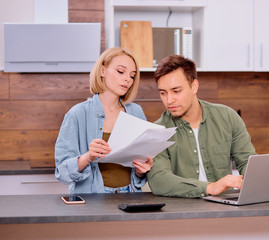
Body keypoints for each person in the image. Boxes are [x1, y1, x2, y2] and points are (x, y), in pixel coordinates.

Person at [147, 55, 256, 198]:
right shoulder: (157, 131)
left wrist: (253, 183)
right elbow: (159, 181)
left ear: (194, 86)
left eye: (176, 91)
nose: (169, 100)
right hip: (181, 211)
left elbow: (248, 162)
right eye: (163, 93)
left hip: (225, 208)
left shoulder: (227, 117)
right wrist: (210, 187)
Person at [55, 47, 153, 194]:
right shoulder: (77, 114)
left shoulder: (136, 112)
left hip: (131, 197)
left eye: (132, 76)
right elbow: (62, 173)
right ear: (102, 71)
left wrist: (141, 170)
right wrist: (88, 157)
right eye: (121, 71)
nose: (127, 79)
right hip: (92, 201)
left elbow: (138, 172)